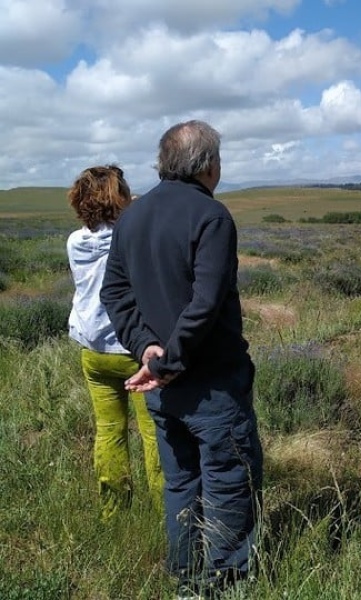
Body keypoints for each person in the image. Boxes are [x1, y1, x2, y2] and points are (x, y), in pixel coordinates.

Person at [100, 120, 263, 599]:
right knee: (228, 482)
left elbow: (116, 292)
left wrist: (146, 349)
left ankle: (186, 583)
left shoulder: (133, 216)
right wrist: (167, 358)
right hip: (211, 383)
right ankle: (225, 585)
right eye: (218, 160)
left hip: (162, 387)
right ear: (207, 164)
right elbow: (206, 302)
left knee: (181, 486)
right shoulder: (211, 216)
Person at [66, 165, 163, 521]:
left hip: (92, 350)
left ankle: (114, 513)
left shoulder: (75, 241)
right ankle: (166, 515)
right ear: (118, 197)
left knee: (109, 431)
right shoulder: (130, 236)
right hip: (132, 349)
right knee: (154, 436)